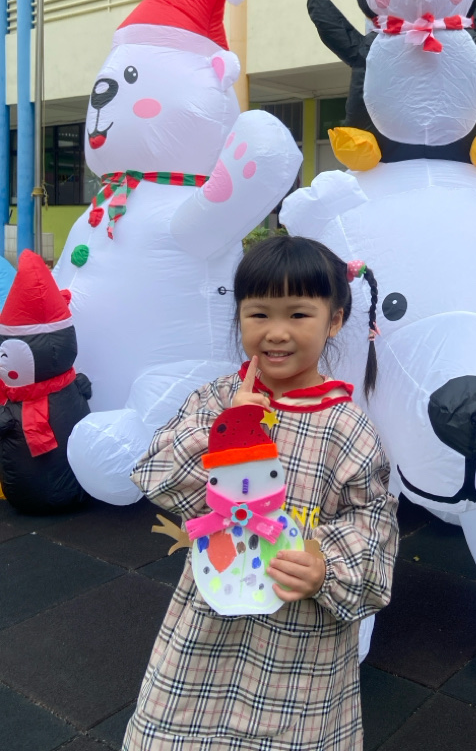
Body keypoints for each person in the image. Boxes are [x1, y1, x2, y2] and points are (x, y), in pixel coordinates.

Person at [122, 236, 398, 751]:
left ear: (335, 320)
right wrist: (227, 429)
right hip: (210, 618)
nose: (276, 332)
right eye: (258, 314)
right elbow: (158, 475)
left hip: (300, 633)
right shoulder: (218, 399)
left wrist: (325, 566)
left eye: (298, 314)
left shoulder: (347, 427)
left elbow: (373, 526)